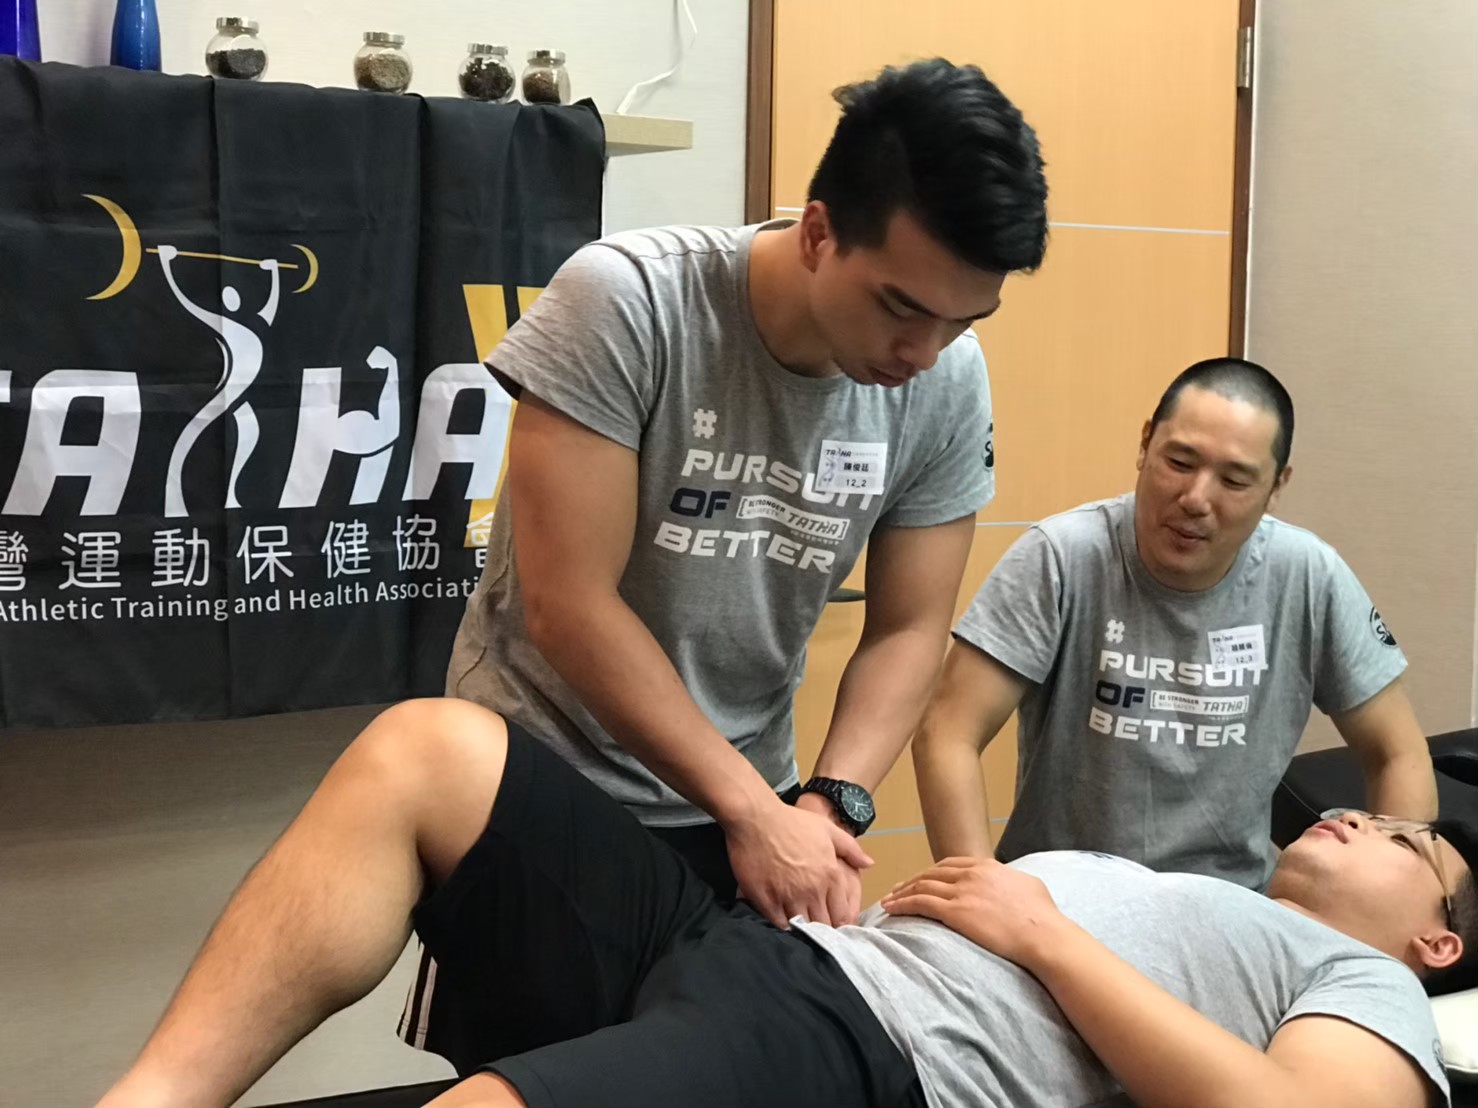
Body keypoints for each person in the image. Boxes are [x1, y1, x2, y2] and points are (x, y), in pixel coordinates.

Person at [98, 698, 1475, 1108]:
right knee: (434, 751)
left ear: (1436, 940)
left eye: (1404, 836)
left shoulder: (1364, 987)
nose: (1357, 811)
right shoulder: (1201, 895)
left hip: (865, 1049)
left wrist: (1041, 934)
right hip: (776, 958)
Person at [441, 56, 1048, 935]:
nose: (925, 351)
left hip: (753, 800)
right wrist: (754, 812)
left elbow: (910, 628)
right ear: (818, 233)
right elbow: (568, 604)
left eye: (964, 321)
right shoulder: (628, 301)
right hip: (543, 774)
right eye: (901, 308)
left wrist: (828, 805)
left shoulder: (948, 378)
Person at [913, 357, 1438, 887]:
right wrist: (985, 893)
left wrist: (1388, 902)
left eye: (1234, 480)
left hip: (1234, 900)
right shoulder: (1061, 558)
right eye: (1180, 462)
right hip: (1062, 895)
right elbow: (948, 732)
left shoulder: (1308, 575)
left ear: (1277, 486)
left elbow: (1398, 754)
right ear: (1145, 444)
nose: (1196, 499)